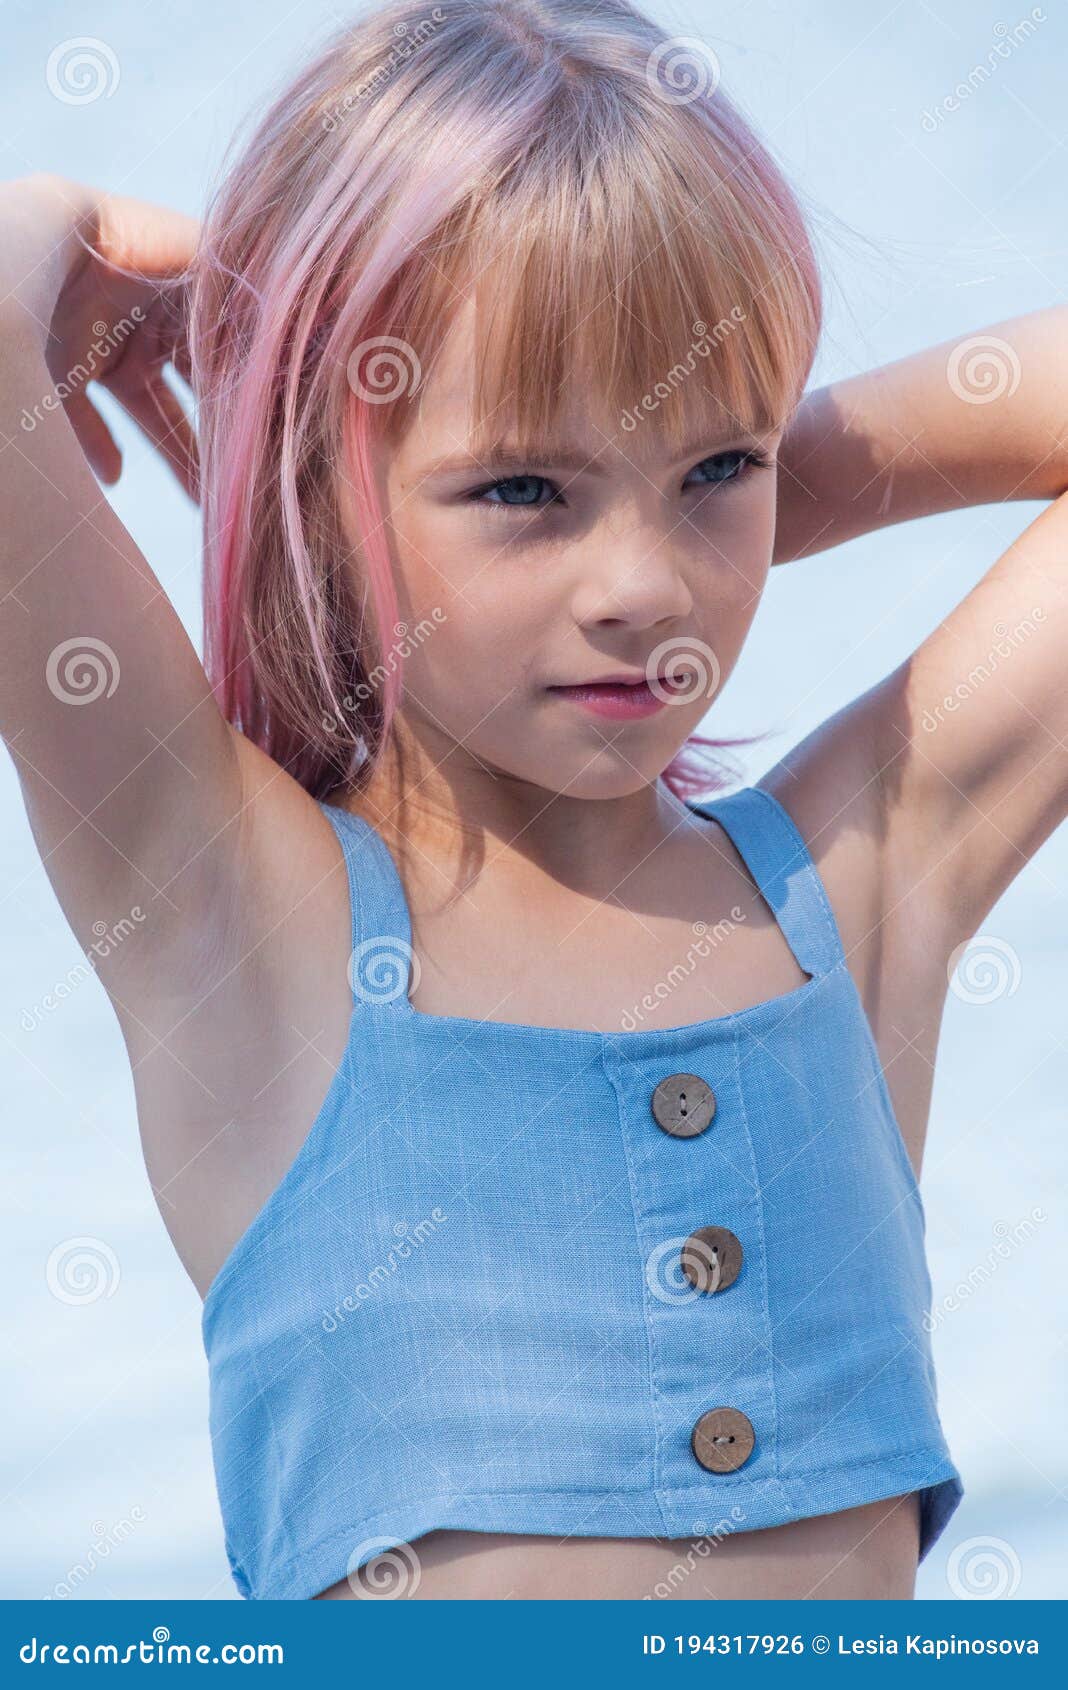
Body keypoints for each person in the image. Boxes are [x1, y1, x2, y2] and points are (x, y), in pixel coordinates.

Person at [2, 0, 1064, 1603]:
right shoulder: (230, 901)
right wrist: (52, 228)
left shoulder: (864, 878)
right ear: (312, 482)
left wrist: (774, 473)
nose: (643, 587)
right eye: (521, 489)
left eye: (717, 472)